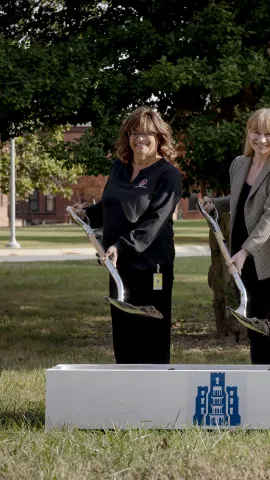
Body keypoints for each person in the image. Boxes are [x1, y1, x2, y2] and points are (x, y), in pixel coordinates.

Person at [202, 108, 270, 365]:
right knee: (256, 329)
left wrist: (245, 251)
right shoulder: (240, 164)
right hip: (244, 257)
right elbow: (242, 199)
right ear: (248, 133)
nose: (261, 139)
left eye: (268, 134)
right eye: (256, 132)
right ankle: (261, 394)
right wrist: (216, 203)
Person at [78, 106, 182, 364]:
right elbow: (110, 206)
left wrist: (121, 247)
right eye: (134, 133)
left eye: (147, 133)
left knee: (151, 332)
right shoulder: (119, 168)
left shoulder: (168, 175)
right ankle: (127, 396)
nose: (140, 139)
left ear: (159, 138)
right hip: (118, 265)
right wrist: (86, 215)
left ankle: (155, 396)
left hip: (152, 266)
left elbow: (155, 220)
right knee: (124, 333)